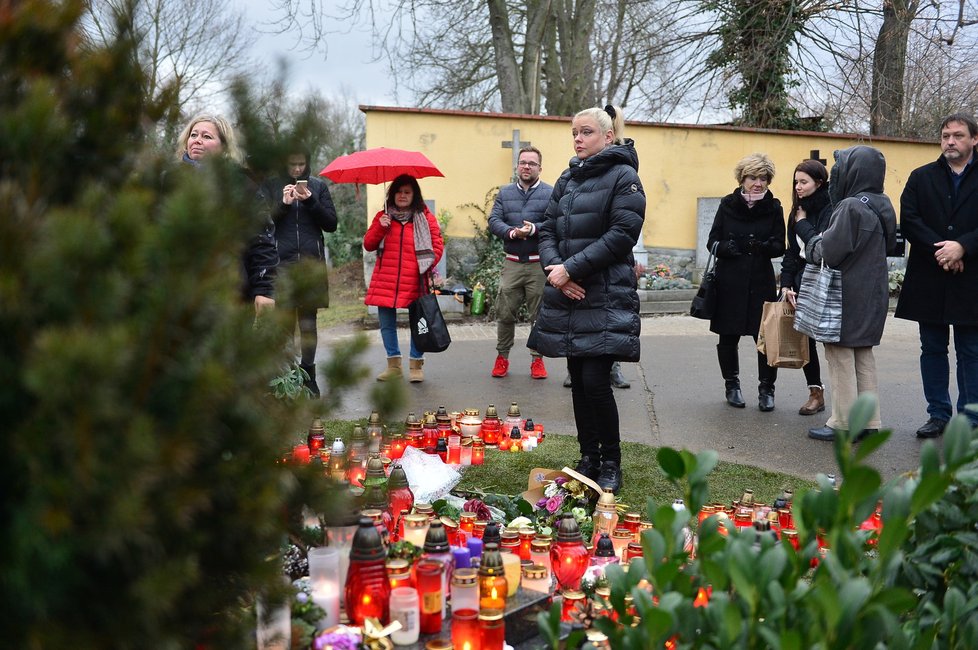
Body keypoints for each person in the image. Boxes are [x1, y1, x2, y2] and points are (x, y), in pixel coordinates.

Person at [528, 105, 645, 494]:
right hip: (569, 294)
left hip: (605, 295)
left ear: (608, 137)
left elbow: (622, 234)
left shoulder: (624, 176)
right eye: (574, 132)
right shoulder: (567, 178)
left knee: (596, 380)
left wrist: (571, 269)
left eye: (587, 132)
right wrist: (556, 272)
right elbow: (546, 229)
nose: (578, 138)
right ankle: (587, 458)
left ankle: (611, 463)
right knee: (578, 380)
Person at [805, 146, 897, 441]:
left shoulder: (850, 207)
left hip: (846, 295)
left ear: (853, 171)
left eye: (840, 168)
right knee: (863, 357)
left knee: (839, 356)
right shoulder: (882, 203)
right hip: (872, 294)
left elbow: (829, 252)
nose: (836, 175)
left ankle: (843, 423)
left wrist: (811, 240)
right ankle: (869, 422)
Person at [896, 113, 978, 437]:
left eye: (958, 135)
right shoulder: (921, 176)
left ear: (974, 139)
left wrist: (963, 247)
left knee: (971, 351)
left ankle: (969, 419)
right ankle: (938, 414)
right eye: (945, 135)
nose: (950, 141)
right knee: (931, 348)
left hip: (971, 278)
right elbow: (910, 220)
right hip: (929, 277)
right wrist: (943, 252)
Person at [174, 114, 277, 314]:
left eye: (207, 136)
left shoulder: (242, 185)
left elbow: (262, 240)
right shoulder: (168, 181)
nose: (197, 140)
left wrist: (265, 290)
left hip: (230, 295)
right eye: (193, 134)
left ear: (224, 146)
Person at [707, 153, 786, 411]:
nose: (758, 183)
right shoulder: (727, 204)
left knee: (764, 339)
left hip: (760, 282)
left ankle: (767, 389)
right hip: (729, 282)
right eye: (753, 177)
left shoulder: (774, 207)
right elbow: (712, 242)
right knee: (727, 338)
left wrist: (762, 247)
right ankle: (732, 385)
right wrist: (728, 248)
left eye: (763, 178)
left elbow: (779, 245)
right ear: (742, 178)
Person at [266, 148, 338, 397]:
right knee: (284, 325)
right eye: (292, 164)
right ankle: (286, 378)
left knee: (308, 325)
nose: (297, 169)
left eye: (301, 164)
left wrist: (310, 200)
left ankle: (309, 377)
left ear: (307, 164)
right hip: (281, 266)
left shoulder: (318, 187)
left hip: (310, 267)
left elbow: (331, 224)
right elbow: (263, 223)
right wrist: (283, 205)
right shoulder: (273, 186)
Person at [363, 174, 444, 383]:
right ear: (392, 194)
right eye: (399, 191)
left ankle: (416, 364)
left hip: (415, 279)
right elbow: (369, 244)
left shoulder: (425, 218)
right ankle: (394, 366)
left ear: (414, 195)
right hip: (385, 278)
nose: (402, 195)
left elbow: (437, 246)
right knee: (386, 324)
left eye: (407, 192)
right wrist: (380, 226)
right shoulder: (383, 216)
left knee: (418, 322)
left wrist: (425, 266)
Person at [487, 146, 552, 379]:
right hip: (512, 264)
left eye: (531, 163)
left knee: (539, 315)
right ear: (517, 166)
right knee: (505, 313)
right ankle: (502, 357)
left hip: (538, 264)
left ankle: (537, 360)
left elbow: (557, 223)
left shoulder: (550, 193)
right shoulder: (505, 193)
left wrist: (535, 229)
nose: (526, 167)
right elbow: (493, 220)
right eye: (523, 162)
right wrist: (512, 233)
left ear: (539, 168)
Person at [781, 160, 832, 415]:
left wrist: (802, 222)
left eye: (804, 182)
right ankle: (816, 393)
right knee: (806, 340)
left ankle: (846, 399)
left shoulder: (832, 208)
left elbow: (821, 247)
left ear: (819, 183)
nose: (798, 187)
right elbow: (792, 252)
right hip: (802, 279)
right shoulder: (796, 211)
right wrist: (787, 284)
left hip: (825, 279)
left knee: (831, 340)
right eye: (796, 182)